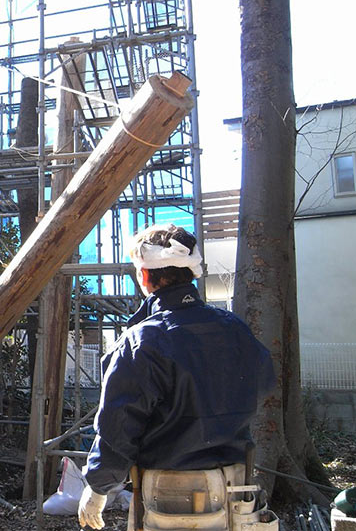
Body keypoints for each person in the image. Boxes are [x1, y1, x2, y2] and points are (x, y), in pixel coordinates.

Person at [78, 224, 275, 530]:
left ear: (145, 276)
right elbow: (263, 384)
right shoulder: (235, 329)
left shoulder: (141, 341)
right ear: (191, 274)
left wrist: (98, 488)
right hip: (237, 491)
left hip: (169, 497)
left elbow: (119, 428)